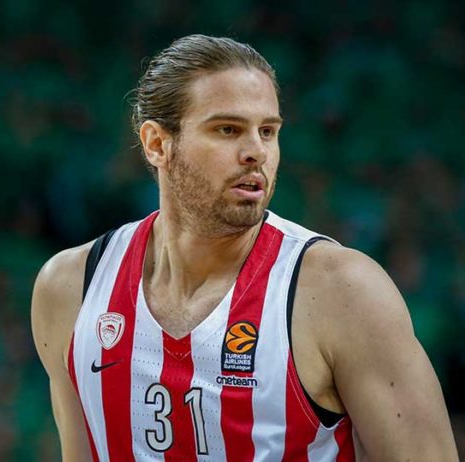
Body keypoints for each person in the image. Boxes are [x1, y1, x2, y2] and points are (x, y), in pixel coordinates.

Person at [31, 34, 458, 461]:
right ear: (157, 143)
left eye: (268, 131)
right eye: (228, 130)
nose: (256, 152)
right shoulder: (69, 288)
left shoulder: (340, 292)